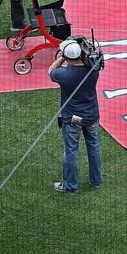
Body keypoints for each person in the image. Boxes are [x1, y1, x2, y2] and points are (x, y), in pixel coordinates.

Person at [48, 36, 102, 194]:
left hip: (72, 118)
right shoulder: (93, 69)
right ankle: (96, 180)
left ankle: (70, 186)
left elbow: (50, 71)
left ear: (66, 56)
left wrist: (60, 59)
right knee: (94, 147)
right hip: (92, 115)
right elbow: (95, 54)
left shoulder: (63, 74)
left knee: (71, 150)